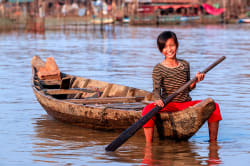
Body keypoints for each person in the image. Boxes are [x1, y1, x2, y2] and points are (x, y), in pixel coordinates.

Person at [142, 31, 222, 143]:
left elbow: (187, 88)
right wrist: (157, 99)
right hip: (168, 104)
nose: (169, 49)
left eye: (172, 45)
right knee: (146, 110)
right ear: (160, 49)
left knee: (214, 106)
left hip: (185, 103)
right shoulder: (158, 68)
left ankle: (213, 143)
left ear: (177, 45)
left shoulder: (185, 65)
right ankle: (148, 145)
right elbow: (156, 89)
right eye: (165, 47)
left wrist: (195, 82)